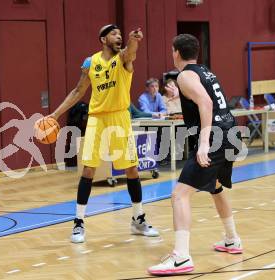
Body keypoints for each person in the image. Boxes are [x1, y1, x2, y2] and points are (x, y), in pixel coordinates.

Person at [49, 24, 159, 243]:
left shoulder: (124, 59)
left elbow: (131, 51)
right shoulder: (91, 62)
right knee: (88, 170)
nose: (118, 37)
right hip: (97, 118)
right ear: (103, 39)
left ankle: (138, 218)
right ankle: (79, 222)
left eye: (120, 34)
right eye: (114, 34)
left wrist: (134, 39)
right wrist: (54, 114)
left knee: (131, 169)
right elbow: (78, 91)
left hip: (120, 117)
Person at [148, 34, 242, 275]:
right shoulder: (204, 72)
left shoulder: (184, 75)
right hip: (230, 133)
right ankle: (232, 239)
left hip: (214, 139)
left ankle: (181, 257)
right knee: (216, 186)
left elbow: (206, 104)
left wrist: (202, 144)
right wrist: (180, 97)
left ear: (176, 52)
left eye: (172, 51)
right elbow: (205, 99)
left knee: (179, 195)